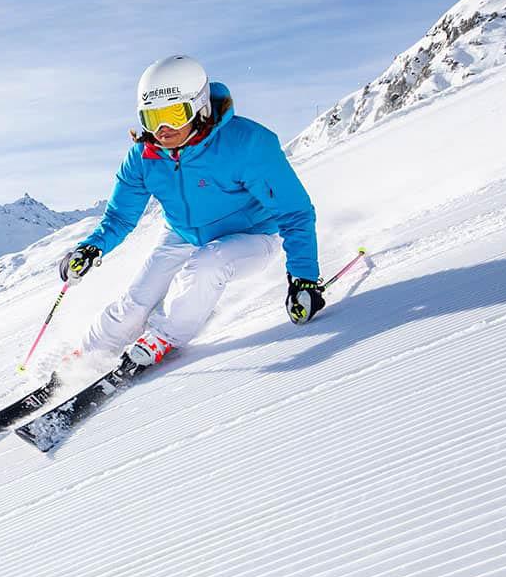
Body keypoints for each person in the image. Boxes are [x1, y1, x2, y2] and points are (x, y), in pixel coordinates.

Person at [60, 54, 324, 369]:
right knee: (137, 301)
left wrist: (304, 278)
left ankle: (165, 336)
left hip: (252, 236)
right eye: (152, 117)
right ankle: (91, 353)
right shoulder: (144, 157)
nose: (163, 129)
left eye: (173, 113)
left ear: (199, 107)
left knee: (207, 265)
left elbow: (294, 213)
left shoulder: (247, 144)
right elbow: (119, 217)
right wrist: (92, 247)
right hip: (182, 232)